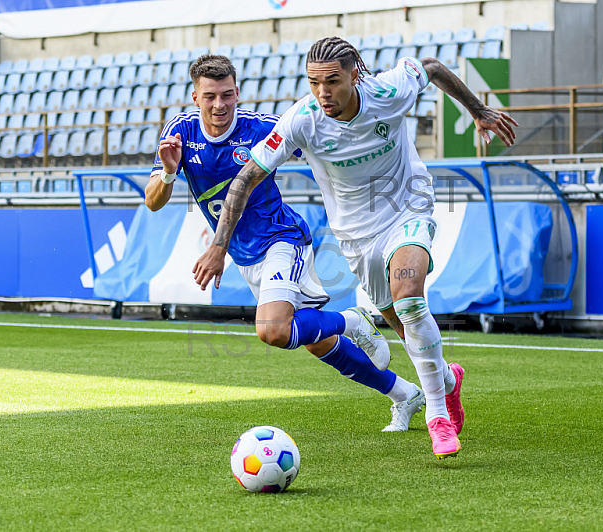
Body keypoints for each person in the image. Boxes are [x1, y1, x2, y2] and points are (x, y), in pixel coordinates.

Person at [194, 38, 518, 458]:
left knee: (410, 302)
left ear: (354, 75)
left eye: (332, 81)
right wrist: (219, 245)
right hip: (357, 234)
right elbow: (245, 179)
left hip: (408, 207)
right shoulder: (302, 120)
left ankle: (436, 416)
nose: (322, 93)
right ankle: (448, 381)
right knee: (403, 327)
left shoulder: (388, 91)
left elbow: (433, 68)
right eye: (314, 83)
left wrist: (479, 110)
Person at [145, 54, 426, 432]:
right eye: (210, 96)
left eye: (227, 95)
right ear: (195, 98)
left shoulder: (260, 127)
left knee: (273, 330)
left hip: (282, 240)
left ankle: (352, 321)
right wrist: (167, 172)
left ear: (237, 93)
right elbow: (153, 201)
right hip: (245, 256)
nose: (219, 105)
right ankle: (403, 394)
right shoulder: (179, 133)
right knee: (314, 341)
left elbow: (320, 140)